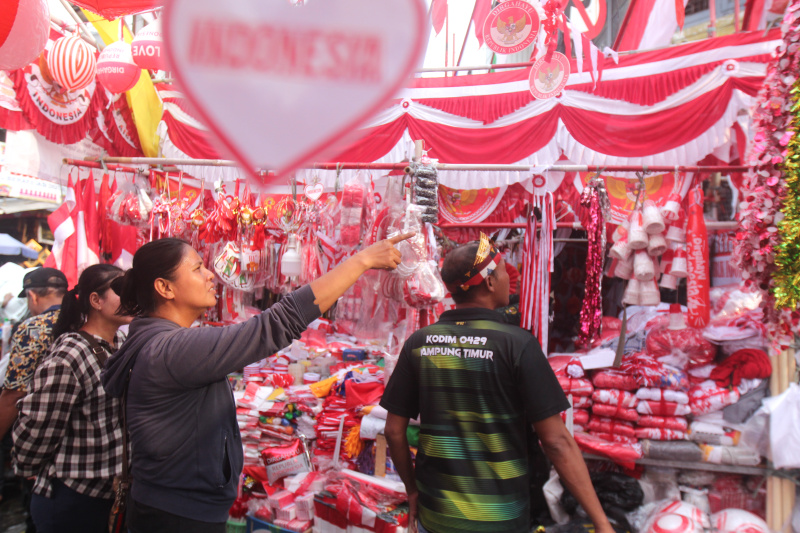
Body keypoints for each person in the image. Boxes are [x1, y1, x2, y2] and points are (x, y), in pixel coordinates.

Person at [102, 235, 411, 532]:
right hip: (180, 514)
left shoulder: (156, 343)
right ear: (164, 288)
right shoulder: (172, 350)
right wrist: (362, 260)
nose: (211, 275)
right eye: (198, 268)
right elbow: (277, 323)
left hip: (169, 504)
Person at [380, 234, 615, 533]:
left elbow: (393, 431)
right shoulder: (517, 345)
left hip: (437, 517)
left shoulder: (420, 343)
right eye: (504, 271)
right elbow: (556, 442)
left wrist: (412, 491)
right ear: (490, 282)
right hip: (500, 520)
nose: (509, 279)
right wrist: (602, 524)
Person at [14, 264, 131, 533]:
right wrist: (28, 465)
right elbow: (38, 426)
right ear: (95, 300)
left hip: (106, 496)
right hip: (72, 497)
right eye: (122, 291)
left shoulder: (120, 344)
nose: (130, 297)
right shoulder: (71, 352)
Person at [0, 267, 67, 533]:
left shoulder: (33, 327)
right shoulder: (89, 320)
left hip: (43, 442)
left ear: (32, 296)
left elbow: (14, 393)